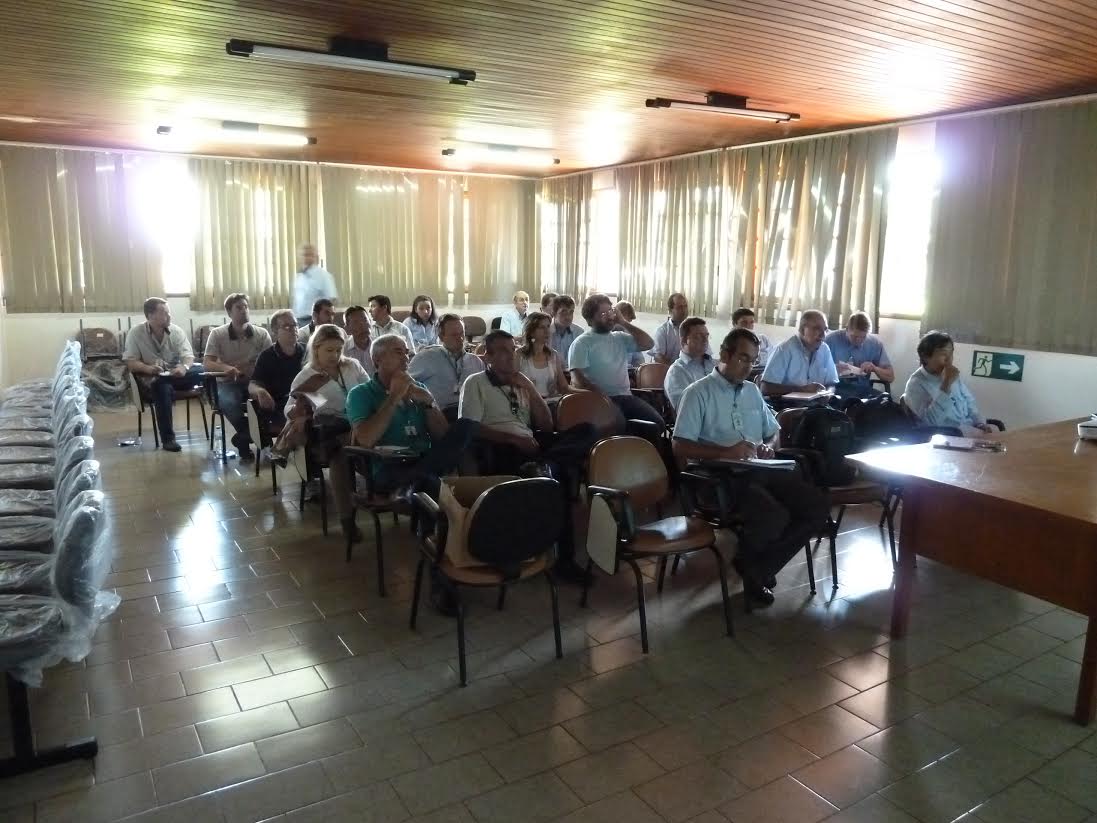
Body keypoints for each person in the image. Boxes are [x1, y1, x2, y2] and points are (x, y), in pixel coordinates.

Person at [673, 328, 829, 606]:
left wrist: (768, 445)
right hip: (719, 476)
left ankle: (756, 567)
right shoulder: (697, 393)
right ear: (725, 355)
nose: (748, 367)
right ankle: (756, 570)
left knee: (816, 507)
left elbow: (773, 431)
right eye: (743, 358)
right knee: (773, 515)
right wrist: (724, 452)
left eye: (753, 360)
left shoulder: (752, 391)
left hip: (759, 468)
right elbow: (680, 446)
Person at [348, 334, 479, 616]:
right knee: (432, 488)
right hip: (388, 470)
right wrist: (394, 397)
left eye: (407, 352)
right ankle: (441, 584)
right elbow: (366, 439)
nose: (406, 358)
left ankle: (412, 486)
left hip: (424, 462)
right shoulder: (360, 394)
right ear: (378, 359)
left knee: (466, 427)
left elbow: (443, 438)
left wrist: (428, 403)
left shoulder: (419, 388)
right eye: (399, 352)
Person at [460, 330, 599, 583]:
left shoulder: (520, 381)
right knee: (557, 485)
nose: (510, 355)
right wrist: (513, 439)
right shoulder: (475, 383)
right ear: (488, 357)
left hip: (532, 443)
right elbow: (470, 429)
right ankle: (564, 561)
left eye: (512, 349)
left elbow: (546, 425)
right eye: (502, 351)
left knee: (588, 430)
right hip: (500, 447)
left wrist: (531, 390)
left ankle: (545, 463)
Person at [283, 325, 370, 540]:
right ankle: (347, 519)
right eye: (329, 350)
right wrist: (299, 409)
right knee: (340, 455)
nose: (335, 355)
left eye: (339, 350)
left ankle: (379, 490)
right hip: (326, 432)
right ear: (316, 349)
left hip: (356, 425)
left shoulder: (352, 366)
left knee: (351, 448)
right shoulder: (307, 375)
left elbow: (369, 391)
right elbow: (288, 409)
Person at [569, 293, 664, 429]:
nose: (609, 317)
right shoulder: (582, 343)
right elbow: (577, 380)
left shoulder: (620, 337)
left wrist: (623, 322)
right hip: (599, 400)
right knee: (620, 425)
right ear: (590, 319)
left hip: (626, 397)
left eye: (610, 311)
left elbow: (649, 343)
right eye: (603, 314)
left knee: (658, 424)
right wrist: (603, 398)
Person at [122, 297, 203, 452]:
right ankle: (168, 439)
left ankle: (217, 407)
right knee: (161, 386)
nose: (169, 316)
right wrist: (148, 368)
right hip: (153, 378)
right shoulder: (136, 333)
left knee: (201, 369)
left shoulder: (176, 331)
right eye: (164, 313)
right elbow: (131, 362)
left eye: (169, 312)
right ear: (150, 315)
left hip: (177, 376)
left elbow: (188, 356)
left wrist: (184, 367)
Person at [203, 293, 273, 461]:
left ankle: (243, 439)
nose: (244, 310)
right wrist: (227, 368)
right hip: (228, 382)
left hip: (254, 381)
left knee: (267, 398)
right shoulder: (218, 334)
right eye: (239, 308)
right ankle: (256, 436)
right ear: (229, 312)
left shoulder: (261, 334)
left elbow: (270, 361)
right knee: (228, 401)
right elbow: (207, 363)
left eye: (246, 307)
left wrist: (252, 369)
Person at [905, 331, 994, 436]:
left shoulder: (953, 377)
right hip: (948, 436)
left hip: (970, 431)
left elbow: (970, 403)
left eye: (951, 353)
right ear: (925, 357)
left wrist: (980, 423)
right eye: (943, 354)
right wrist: (946, 384)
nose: (949, 359)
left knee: (1000, 437)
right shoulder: (916, 384)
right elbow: (930, 423)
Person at [408, 313, 485, 420]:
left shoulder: (475, 361)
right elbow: (406, 383)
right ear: (441, 337)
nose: (460, 338)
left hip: (470, 414)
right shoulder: (426, 357)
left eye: (462, 333)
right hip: (439, 414)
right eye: (454, 335)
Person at [249, 308, 305, 434]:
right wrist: (260, 391)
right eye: (287, 326)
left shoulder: (307, 351)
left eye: (295, 325)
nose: (293, 329)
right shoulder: (267, 356)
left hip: (305, 403)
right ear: (275, 331)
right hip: (279, 407)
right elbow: (252, 384)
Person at [760, 310, 839, 398]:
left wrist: (828, 394)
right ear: (802, 330)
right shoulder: (785, 349)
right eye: (817, 329)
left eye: (825, 330)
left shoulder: (824, 349)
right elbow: (765, 388)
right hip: (786, 404)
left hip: (818, 403)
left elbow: (831, 383)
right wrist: (801, 389)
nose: (823, 335)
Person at [824, 311, 894, 399]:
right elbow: (815, 373)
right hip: (836, 389)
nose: (858, 340)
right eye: (854, 336)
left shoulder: (874, 344)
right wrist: (833, 370)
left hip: (862, 391)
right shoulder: (830, 340)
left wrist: (875, 368)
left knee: (885, 402)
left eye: (863, 337)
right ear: (847, 329)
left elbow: (890, 377)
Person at [663, 316, 715, 410]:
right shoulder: (676, 371)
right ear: (684, 341)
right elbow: (686, 408)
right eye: (699, 336)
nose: (705, 340)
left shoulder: (714, 365)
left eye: (706, 336)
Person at [517, 312, 571, 400]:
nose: (547, 331)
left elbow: (564, 387)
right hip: (528, 404)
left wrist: (588, 393)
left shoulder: (553, 355)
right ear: (531, 332)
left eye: (548, 326)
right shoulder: (519, 355)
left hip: (552, 402)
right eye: (541, 327)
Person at [293, 243, 338, 323]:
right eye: (304, 255)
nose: (306, 257)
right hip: (299, 320)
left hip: (316, 320)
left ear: (315, 257)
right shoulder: (299, 277)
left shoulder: (323, 276)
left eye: (309, 255)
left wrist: (325, 319)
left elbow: (332, 299)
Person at [650, 293, 691, 364]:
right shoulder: (662, 331)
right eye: (680, 307)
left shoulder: (695, 329)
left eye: (685, 306)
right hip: (669, 369)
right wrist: (675, 369)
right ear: (670, 310)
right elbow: (658, 357)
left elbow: (706, 354)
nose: (684, 310)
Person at [548, 295, 582, 362]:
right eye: (563, 312)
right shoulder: (546, 332)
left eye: (571, 312)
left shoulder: (579, 333)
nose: (568, 317)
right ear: (554, 313)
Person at [341, 305, 374, 376]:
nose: (362, 324)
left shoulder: (380, 345)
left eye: (365, 320)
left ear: (370, 322)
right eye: (356, 322)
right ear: (347, 328)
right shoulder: (343, 350)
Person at [614, 301, 647, 368]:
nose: (630, 322)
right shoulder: (614, 333)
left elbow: (639, 359)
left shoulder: (627, 333)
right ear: (620, 315)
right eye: (629, 318)